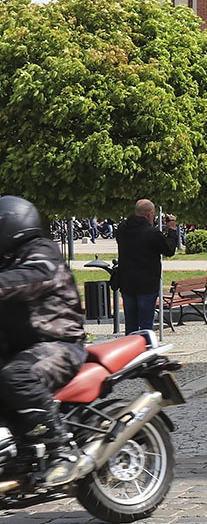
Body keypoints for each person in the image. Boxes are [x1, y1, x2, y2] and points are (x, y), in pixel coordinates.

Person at [0, 196, 86, 487]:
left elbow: (27, 279)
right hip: (22, 348)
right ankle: (21, 452)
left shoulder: (41, 252)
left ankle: (61, 450)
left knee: (16, 376)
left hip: (60, 344)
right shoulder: (8, 260)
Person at [116, 199, 179, 335]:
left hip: (127, 282)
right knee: (146, 326)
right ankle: (144, 351)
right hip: (147, 284)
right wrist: (172, 229)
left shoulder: (122, 229)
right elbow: (169, 250)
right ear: (150, 214)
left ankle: (131, 352)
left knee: (131, 325)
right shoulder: (151, 233)